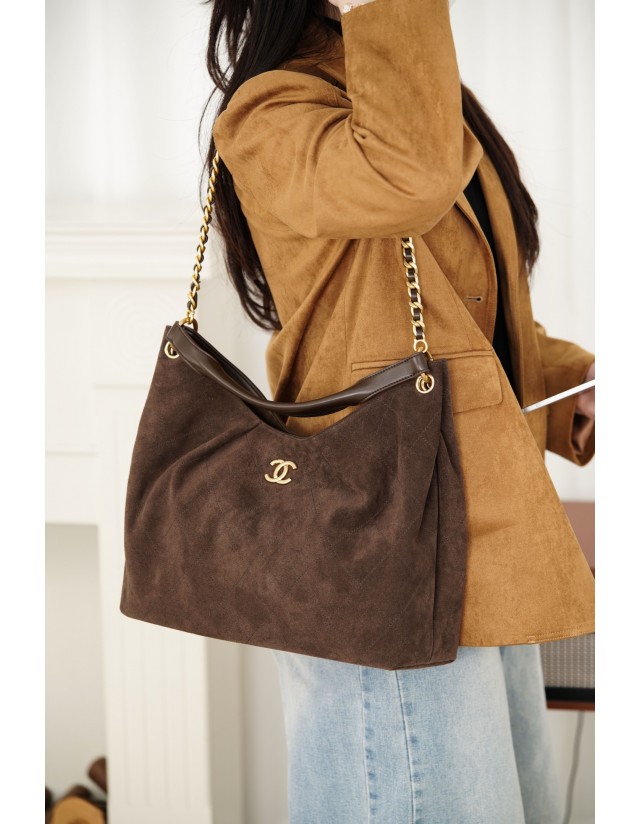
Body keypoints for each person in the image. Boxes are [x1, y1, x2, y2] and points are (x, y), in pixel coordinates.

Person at [206, 0, 596, 821]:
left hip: (479, 546)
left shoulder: (394, 77)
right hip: (381, 554)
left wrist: (576, 385)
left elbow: (466, 315)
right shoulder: (274, 108)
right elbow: (408, 181)